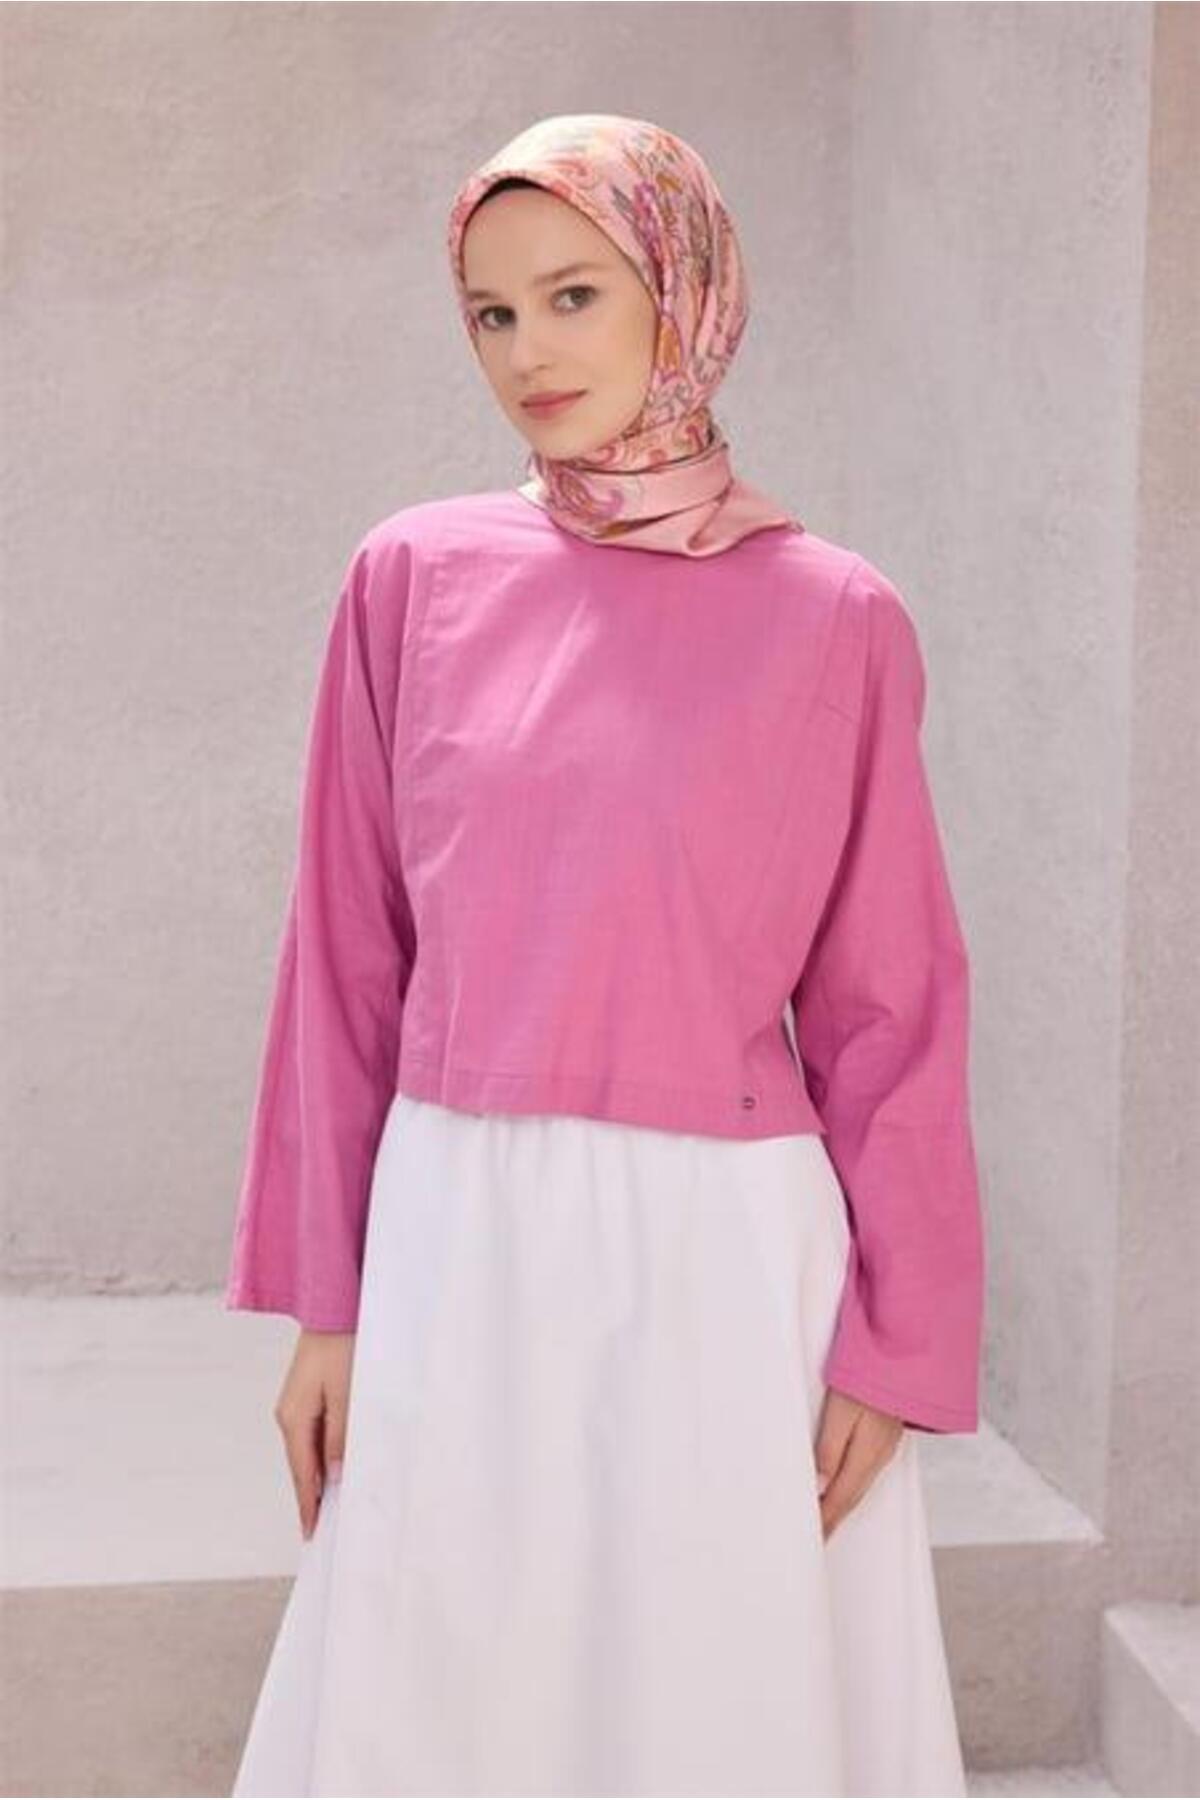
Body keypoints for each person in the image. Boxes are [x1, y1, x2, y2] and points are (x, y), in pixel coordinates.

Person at [225, 112, 985, 1798]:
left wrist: (899, 1344)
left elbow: (893, 1005)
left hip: (725, 1254)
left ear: (682, 292)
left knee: (718, 1701)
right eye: (492, 313)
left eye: (573, 295)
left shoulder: (837, 616)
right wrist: (328, 1308)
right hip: (461, 1227)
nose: (529, 354)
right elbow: (345, 961)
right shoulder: (412, 578)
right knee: (448, 1691)